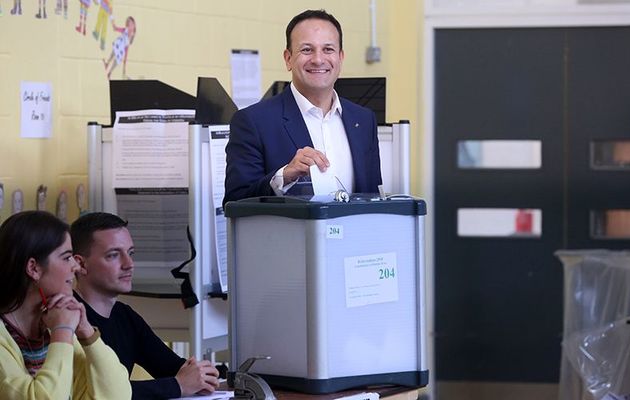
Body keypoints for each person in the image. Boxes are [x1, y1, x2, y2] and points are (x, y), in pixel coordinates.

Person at [223, 9, 382, 204]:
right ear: (288, 58)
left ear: (340, 58)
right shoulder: (253, 122)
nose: (318, 59)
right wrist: (283, 177)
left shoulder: (364, 120)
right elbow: (235, 202)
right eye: (307, 49)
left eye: (328, 49)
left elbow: (374, 199)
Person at [70, 211, 220, 399]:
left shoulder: (125, 316)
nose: (129, 264)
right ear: (80, 264)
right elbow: (98, 393)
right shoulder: (67, 318)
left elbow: (172, 367)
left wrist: (201, 374)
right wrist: (178, 385)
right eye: (113, 255)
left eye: (130, 253)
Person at [0, 210, 131, 400]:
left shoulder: (55, 324)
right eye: (66, 257)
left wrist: (87, 334)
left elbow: (118, 396)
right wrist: (63, 331)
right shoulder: (59, 329)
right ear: (34, 268)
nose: (76, 266)